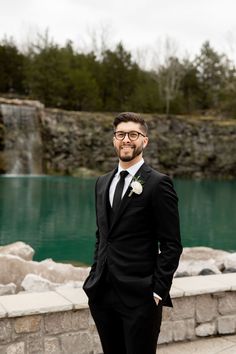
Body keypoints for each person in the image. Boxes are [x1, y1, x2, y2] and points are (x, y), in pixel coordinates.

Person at [83, 112, 182, 354]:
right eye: (121, 134)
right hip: (102, 293)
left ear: (144, 141)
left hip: (141, 296)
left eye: (133, 134)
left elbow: (171, 244)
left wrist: (158, 290)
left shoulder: (159, 183)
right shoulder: (102, 182)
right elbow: (103, 235)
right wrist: (94, 275)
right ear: (114, 140)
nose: (126, 139)